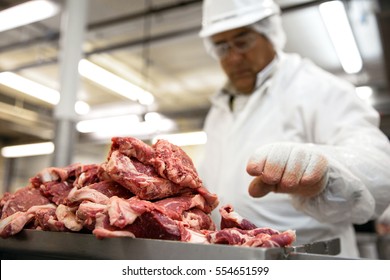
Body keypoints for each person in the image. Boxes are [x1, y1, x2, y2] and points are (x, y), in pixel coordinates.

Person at [197, 0, 390, 258]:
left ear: (269, 34)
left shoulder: (317, 89)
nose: (233, 57)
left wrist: (327, 173)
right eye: (221, 47)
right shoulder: (218, 111)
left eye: (243, 42)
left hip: (311, 260)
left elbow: (380, 169)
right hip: (237, 259)